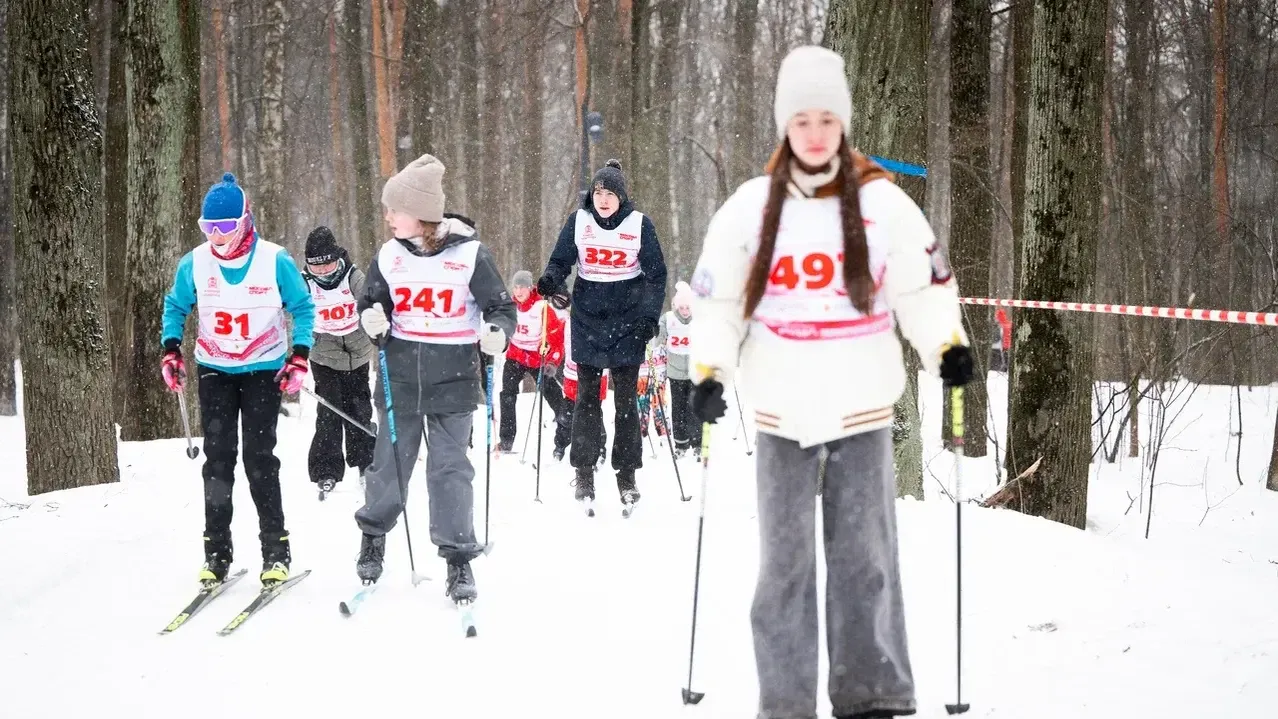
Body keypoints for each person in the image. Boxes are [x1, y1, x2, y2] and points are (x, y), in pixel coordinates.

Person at [686, 46, 974, 719]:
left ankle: (872, 694)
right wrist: (708, 368)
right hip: (781, 416)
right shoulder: (751, 207)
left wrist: (947, 346)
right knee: (783, 570)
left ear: (843, 123)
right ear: (785, 126)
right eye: (801, 120)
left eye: (826, 119)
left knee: (864, 561)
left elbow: (924, 289)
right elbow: (717, 300)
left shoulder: (883, 204)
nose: (815, 133)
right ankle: (785, 704)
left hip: (861, 411)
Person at [352, 154, 516, 605]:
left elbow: (502, 307)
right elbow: (369, 303)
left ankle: (458, 559)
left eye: (395, 210)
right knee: (391, 463)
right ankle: (374, 534)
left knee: (449, 469)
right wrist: (372, 320)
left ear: (421, 214)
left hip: (455, 378)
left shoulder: (469, 255)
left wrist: (497, 334)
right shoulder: (389, 255)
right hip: (400, 375)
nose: (387, 217)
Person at [160, 172, 315, 587]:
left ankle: (276, 552)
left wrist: (299, 357)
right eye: (208, 227)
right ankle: (216, 553)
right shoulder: (194, 262)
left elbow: (302, 307)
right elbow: (175, 305)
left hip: (264, 369)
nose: (216, 236)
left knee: (260, 461)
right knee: (218, 462)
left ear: (245, 220)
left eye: (225, 227)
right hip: (215, 369)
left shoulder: (274, 259)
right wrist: (171, 349)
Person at [537, 159, 667, 514]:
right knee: (587, 399)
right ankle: (583, 471)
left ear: (622, 197)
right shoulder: (579, 221)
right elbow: (561, 261)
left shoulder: (641, 225)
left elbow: (657, 276)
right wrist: (551, 280)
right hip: (588, 317)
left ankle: (626, 475)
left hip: (627, 318)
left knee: (626, 402)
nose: (603, 199)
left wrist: (649, 318)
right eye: (598, 192)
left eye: (610, 193)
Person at [301, 226, 376, 498]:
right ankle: (326, 468)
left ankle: (365, 461)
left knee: (358, 406)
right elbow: (293, 312)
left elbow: (369, 299)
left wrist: (376, 316)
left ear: (337, 259)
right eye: (315, 267)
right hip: (324, 354)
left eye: (327, 265)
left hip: (357, 349)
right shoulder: (304, 283)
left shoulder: (352, 276)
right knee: (329, 409)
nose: (322, 272)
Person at [498, 270, 565, 453]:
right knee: (507, 395)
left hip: (537, 358)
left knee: (553, 395)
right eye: (516, 287)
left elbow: (556, 337)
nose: (518, 291)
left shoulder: (542, 307)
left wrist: (552, 362)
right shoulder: (510, 306)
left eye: (522, 287)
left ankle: (567, 430)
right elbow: (502, 329)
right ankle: (506, 440)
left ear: (530, 288)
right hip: (516, 356)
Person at [551, 302, 608, 464]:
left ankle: (599, 447)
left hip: (597, 373)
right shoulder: (568, 322)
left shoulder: (604, 323)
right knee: (568, 411)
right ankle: (560, 445)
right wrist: (549, 353)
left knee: (594, 412)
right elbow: (556, 339)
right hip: (572, 374)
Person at [657, 280, 701, 459]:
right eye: (681, 308)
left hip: (695, 370)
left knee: (695, 407)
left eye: (687, 307)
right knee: (679, 407)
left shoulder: (699, 318)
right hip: (675, 371)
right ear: (675, 306)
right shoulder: (668, 319)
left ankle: (697, 442)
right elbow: (658, 338)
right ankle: (681, 443)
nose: (684, 311)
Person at [637, 339, 668, 442]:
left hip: (658, 363)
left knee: (659, 401)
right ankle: (641, 430)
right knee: (642, 401)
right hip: (641, 365)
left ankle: (663, 431)